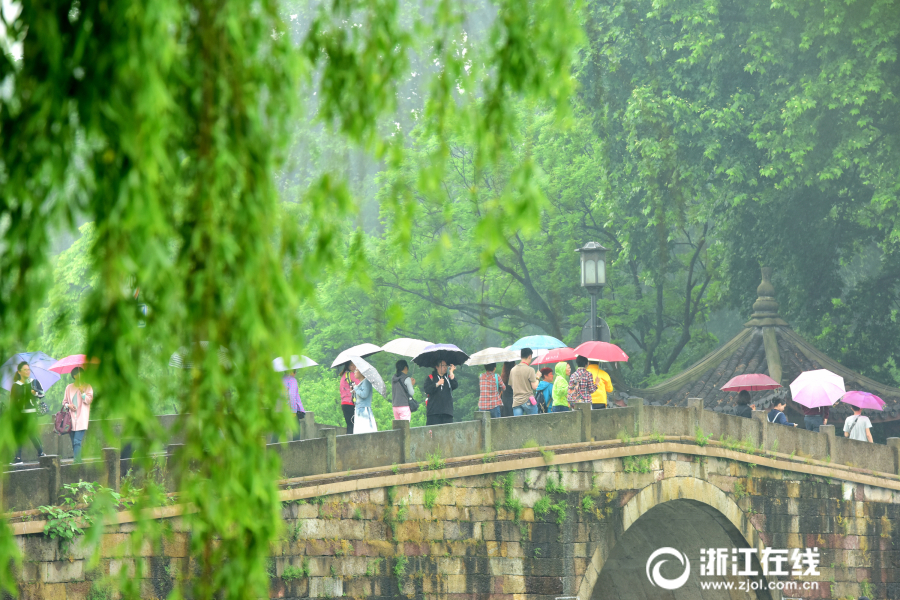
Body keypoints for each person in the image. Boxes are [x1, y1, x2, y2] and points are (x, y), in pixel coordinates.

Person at [10, 361, 45, 465]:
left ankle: (41, 453)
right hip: (20, 414)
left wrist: (35, 393)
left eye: (28, 369)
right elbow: (12, 402)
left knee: (32, 434)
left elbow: (42, 394)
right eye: (25, 370)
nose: (27, 371)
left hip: (32, 413)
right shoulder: (16, 386)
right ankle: (18, 458)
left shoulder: (34, 382)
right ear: (19, 372)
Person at [63, 366, 94, 463]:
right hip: (71, 419)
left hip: (81, 418)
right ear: (75, 376)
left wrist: (82, 392)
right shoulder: (69, 387)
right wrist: (69, 405)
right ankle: (78, 461)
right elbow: (64, 403)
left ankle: (77, 462)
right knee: (74, 442)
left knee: (77, 441)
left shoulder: (87, 386)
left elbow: (89, 401)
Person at [424, 360, 457, 425]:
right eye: (443, 365)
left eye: (446, 365)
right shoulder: (431, 377)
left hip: (447, 412)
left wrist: (451, 372)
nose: (445, 367)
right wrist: (437, 384)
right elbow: (427, 389)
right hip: (434, 412)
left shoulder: (448, 378)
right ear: (437, 367)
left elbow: (455, 385)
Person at [510, 348, 539, 416]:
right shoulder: (530, 370)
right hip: (528, 400)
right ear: (529, 356)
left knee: (518, 425)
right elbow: (535, 387)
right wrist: (537, 377)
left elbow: (512, 386)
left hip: (516, 402)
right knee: (534, 423)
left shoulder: (513, 370)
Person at [339, 362, 363, 434]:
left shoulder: (344, 375)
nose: (353, 367)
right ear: (348, 366)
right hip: (351, 403)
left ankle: (347, 442)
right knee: (354, 425)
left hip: (344, 403)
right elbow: (361, 385)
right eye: (351, 365)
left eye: (354, 364)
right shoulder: (352, 375)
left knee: (350, 425)